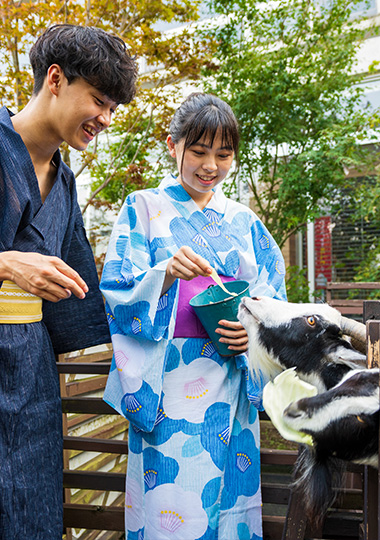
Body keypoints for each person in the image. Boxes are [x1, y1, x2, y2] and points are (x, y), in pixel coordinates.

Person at [100, 93, 287, 540]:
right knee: (169, 506)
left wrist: (253, 336)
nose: (210, 166)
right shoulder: (142, 208)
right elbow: (117, 291)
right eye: (199, 151)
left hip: (230, 377)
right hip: (167, 384)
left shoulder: (245, 222)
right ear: (173, 145)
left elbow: (272, 298)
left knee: (231, 505)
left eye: (223, 155)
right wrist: (164, 274)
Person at [0, 24, 138, 540]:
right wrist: (7, 264)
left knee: (33, 510)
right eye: (98, 101)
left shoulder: (65, 181)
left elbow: (83, 294)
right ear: (55, 79)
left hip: (31, 373)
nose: (104, 119)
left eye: (112, 109)